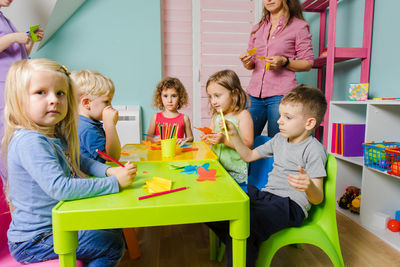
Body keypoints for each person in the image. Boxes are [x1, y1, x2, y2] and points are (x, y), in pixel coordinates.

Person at [1, 59, 137, 266]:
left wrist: (110, 171)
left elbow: (81, 161)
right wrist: (114, 183)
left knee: (111, 227)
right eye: (41, 92)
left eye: (60, 93)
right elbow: (60, 188)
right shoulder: (30, 141)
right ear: (19, 99)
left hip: (57, 224)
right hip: (35, 241)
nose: (54, 100)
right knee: (111, 243)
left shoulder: (53, 135)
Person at [209, 84, 327, 267]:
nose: (279, 121)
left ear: (309, 123)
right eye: (280, 115)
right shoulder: (278, 139)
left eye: (287, 117)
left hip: (290, 205)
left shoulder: (314, 150)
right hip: (266, 196)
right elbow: (248, 156)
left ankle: (241, 244)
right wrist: (234, 136)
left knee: (245, 225)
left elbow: (318, 198)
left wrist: (309, 186)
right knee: (219, 207)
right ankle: (240, 242)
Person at [239, 0, 314, 138]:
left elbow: (307, 63)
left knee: (279, 142)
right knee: (244, 140)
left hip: (281, 96)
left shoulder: (299, 27)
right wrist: (247, 61)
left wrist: (284, 62)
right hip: (254, 95)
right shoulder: (257, 28)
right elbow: (252, 64)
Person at [0, 0, 44, 181]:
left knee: (19, 133)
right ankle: (12, 188)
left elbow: (18, 55)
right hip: (3, 86)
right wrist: (13, 37)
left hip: (14, 82)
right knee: (6, 137)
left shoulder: (3, 18)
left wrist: (28, 41)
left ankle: (22, 182)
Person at [200, 70, 254, 190]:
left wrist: (224, 140)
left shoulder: (242, 116)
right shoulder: (216, 116)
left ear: (234, 93)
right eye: (210, 97)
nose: (213, 101)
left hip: (235, 172)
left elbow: (248, 144)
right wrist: (207, 138)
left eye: (217, 96)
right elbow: (213, 138)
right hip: (217, 168)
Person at [71, 70, 121, 163]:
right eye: (106, 101)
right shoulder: (87, 129)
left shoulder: (83, 122)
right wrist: (110, 125)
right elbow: (113, 157)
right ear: (86, 103)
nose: (110, 106)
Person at [146, 77, 194, 144]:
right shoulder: (155, 117)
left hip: (178, 153)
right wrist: (154, 140)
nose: (169, 100)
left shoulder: (184, 118)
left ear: (180, 97)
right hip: (159, 153)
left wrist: (184, 139)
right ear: (160, 97)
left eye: (174, 96)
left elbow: (191, 138)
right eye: (165, 96)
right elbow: (148, 138)